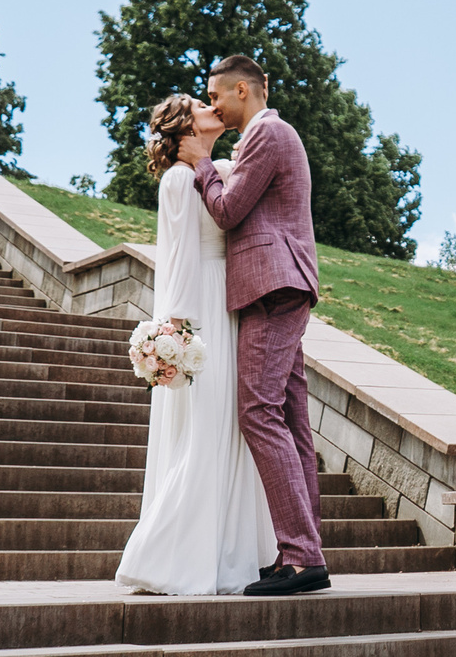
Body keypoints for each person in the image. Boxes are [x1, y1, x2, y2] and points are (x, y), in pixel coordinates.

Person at [113, 92, 278, 595]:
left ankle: (230, 551)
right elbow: (178, 255)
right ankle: (171, 555)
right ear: (186, 126)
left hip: (230, 303)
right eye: (198, 103)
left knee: (229, 425)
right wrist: (177, 335)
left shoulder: (219, 167)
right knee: (206, 425)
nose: (212, 106)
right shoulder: (179, 179)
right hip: (203, 308)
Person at [179, 53, 327, 596]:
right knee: (289, 417)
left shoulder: (270, 133)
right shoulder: (265, 136)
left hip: (274, 285)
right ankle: (305, 551)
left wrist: (199, 163)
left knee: (257, 412)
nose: (212, 104)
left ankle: (302, 556)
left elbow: (228, 210)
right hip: (278, 283)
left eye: (216, 95)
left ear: (243, 90)